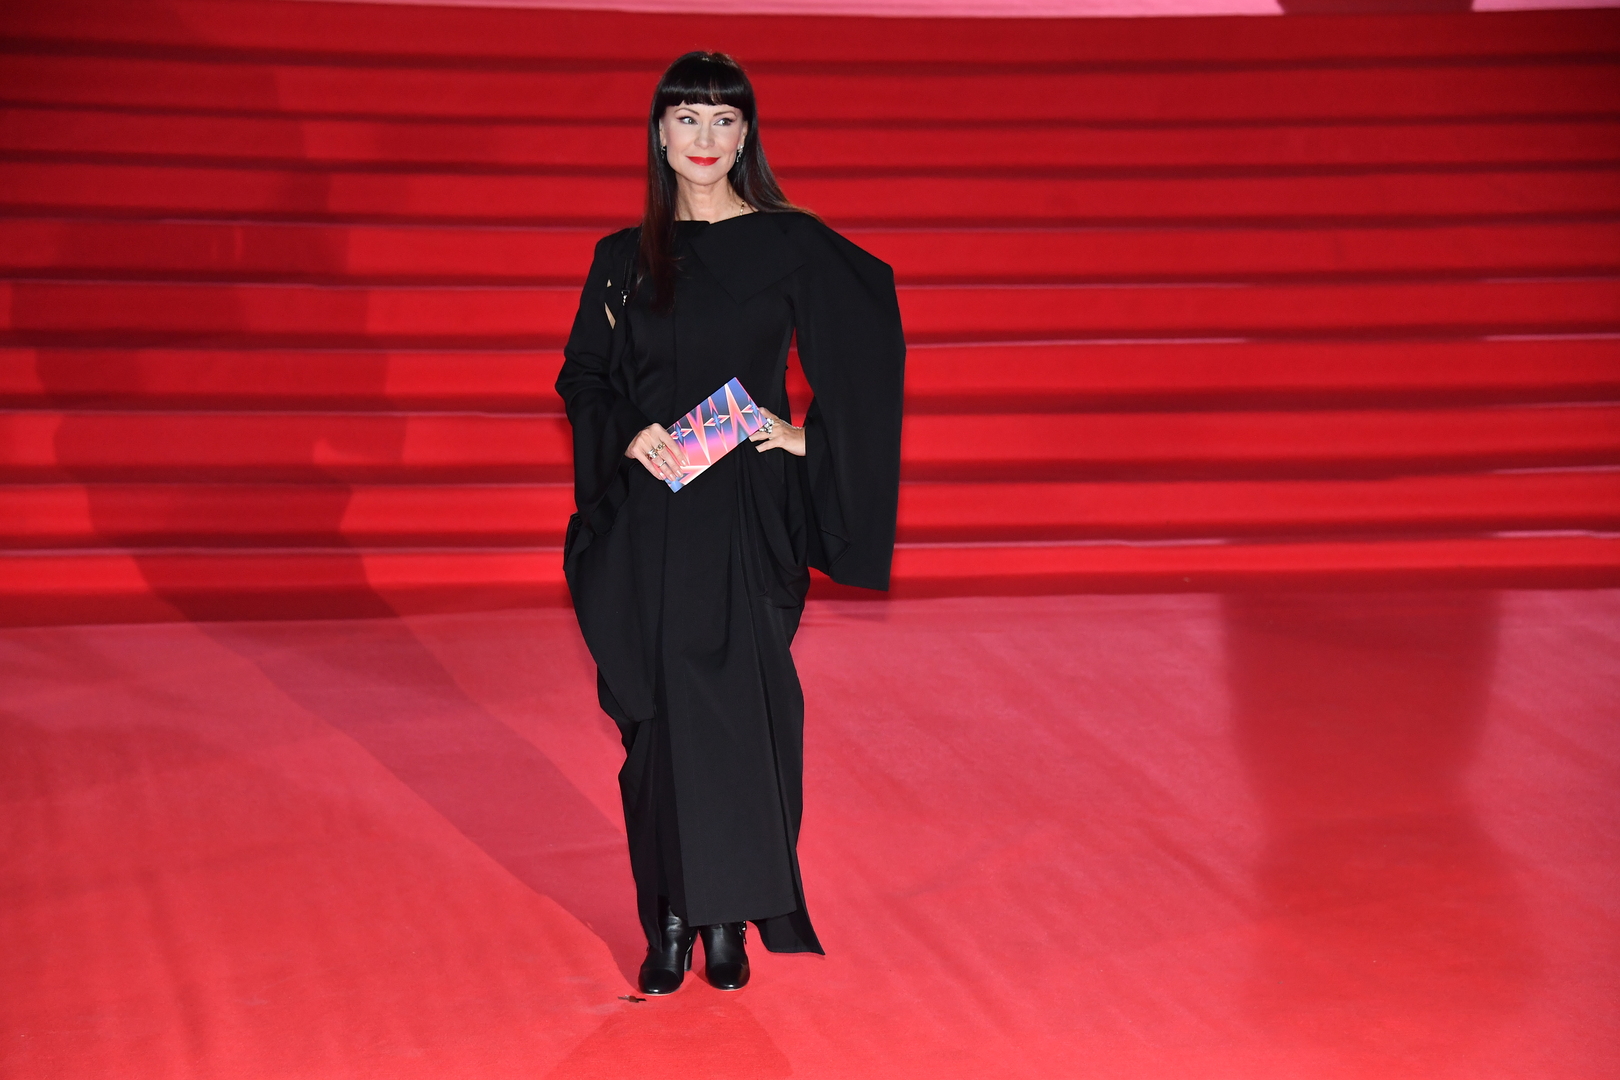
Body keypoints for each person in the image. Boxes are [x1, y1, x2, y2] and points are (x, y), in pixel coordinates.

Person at [555, 51, 905, 994]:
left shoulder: (790, 244)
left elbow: (869, 341)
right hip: (651, 512)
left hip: (746, 511)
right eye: (687, 118)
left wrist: (809, 437)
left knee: (744, 713)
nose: (704, 138)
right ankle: (670, 916)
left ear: (746, 135)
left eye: (723, 120)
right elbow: (582, 376)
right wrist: (629, 435)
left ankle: (729, 921)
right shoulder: (622, 259)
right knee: (658, 721)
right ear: (659, 134)